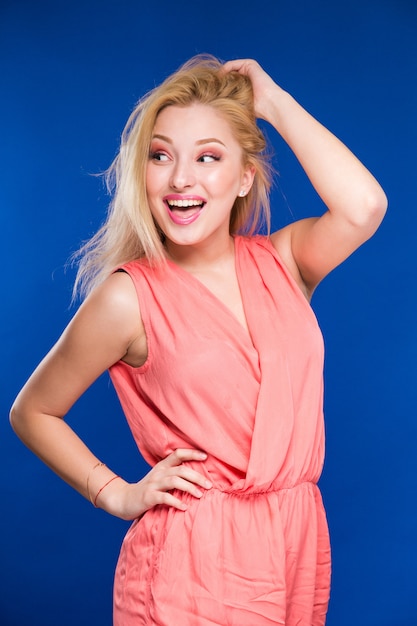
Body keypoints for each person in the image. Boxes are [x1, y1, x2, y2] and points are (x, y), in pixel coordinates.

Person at [10, 54, 387, 625]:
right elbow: (33, 410)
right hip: (192, 560)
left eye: (208, 158)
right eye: (160, 156)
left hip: (295, 542)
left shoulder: (284, 262)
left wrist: (275, 104)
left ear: (244, 178)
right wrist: (115, 493)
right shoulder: (128, 297)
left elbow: (364, 207)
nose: (180, 178)